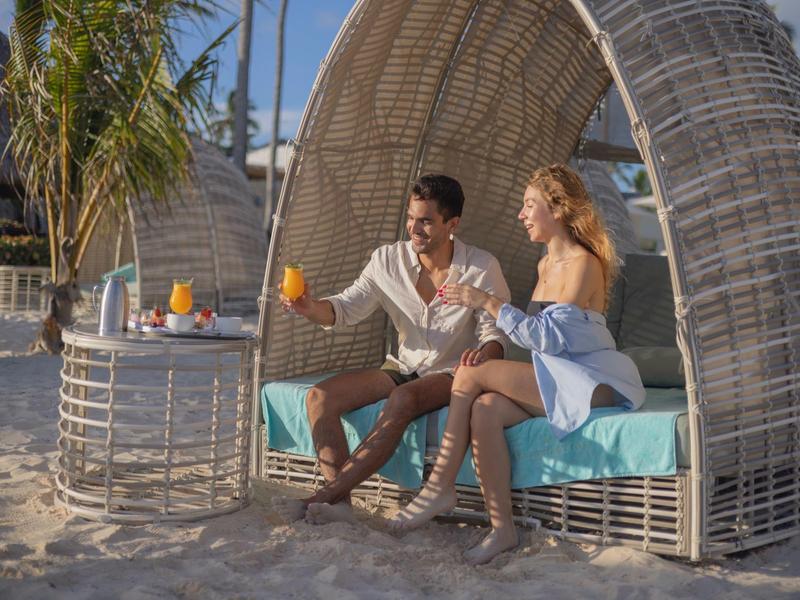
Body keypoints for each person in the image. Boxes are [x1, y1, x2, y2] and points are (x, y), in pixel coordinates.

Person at [388, 163, 646, 565]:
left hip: (592, 382)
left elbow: (545, 338)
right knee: (486, 408)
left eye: (529, 205)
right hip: (558, 376)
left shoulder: (583, 263)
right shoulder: (545, 265)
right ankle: (502, 529)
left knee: (469, 373)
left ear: (556, 208)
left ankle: (440, 485)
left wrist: (485, 301)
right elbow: (534, 338)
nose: (521, 214)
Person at [273, 174, 511, 525]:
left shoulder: (481, 267)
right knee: (319, 398)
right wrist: (310, 308)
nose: (414, 228)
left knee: (402, 399)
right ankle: (341, 505)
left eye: (426, 221)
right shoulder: (387, 260)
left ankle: (322, 497)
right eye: (411, 218)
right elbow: (345, 308)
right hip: (402, 365)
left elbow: (497, 334)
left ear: (452, 224)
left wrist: (483, 357)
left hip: (453, 372)